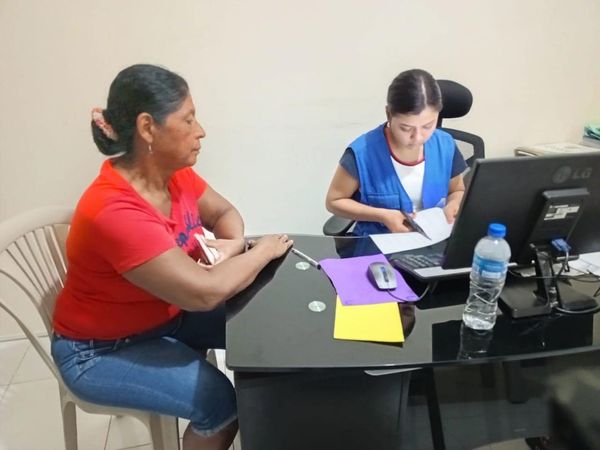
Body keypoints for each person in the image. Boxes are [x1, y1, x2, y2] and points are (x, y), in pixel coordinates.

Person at [51, 64, 293, 450]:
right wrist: (261, 249)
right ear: (148, 128)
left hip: (164, 314)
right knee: (221, 406)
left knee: (264, 330)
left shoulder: (174, 175)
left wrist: (232, 244)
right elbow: (203, 293)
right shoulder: (114, 210)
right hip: (100, 350)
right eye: (189, 119)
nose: (201, 131)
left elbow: (224, 213)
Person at [325, 69, 467, 236]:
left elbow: (457, 190)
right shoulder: (363, 153)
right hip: (378, 243)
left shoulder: (445, 145)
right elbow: (334, 201)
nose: (418, 137)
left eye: (428, 126)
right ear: (389, 114)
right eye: (406, 128)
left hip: (434, 242)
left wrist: (454, 204)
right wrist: (382, 215)